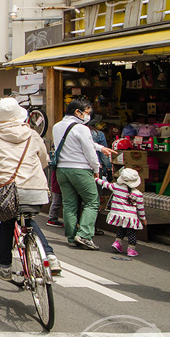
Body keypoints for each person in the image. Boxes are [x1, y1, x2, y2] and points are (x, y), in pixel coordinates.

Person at [0, 98, 61, 278]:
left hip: (8, 192)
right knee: (28, 220)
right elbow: (44, 161)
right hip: (36, 190)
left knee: (7, 222)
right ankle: (50, 256)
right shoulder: (33, 135)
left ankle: (5, 266)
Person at [51, 97, 115, 250]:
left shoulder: (57, 126)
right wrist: (96, 169)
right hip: (80, 169)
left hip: (61, 170)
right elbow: (89, 151)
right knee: (92, 201)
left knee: (69, 203)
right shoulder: (82, 128)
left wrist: (101, 148)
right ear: (77, 112)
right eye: (87, 112)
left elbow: (75, 141)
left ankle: (72, 237)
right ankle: (85, 235)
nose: (88, 116)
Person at [98, 168, 147, 257]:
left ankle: (118, 243)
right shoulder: (138, 194)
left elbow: (105, 184)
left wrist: (96, 179)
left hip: (119, 214)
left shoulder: (116, 187)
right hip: (131, 217)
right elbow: (140, 208)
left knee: (123, 228)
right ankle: (131, 250)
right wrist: (143, 218)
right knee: (132, 233)